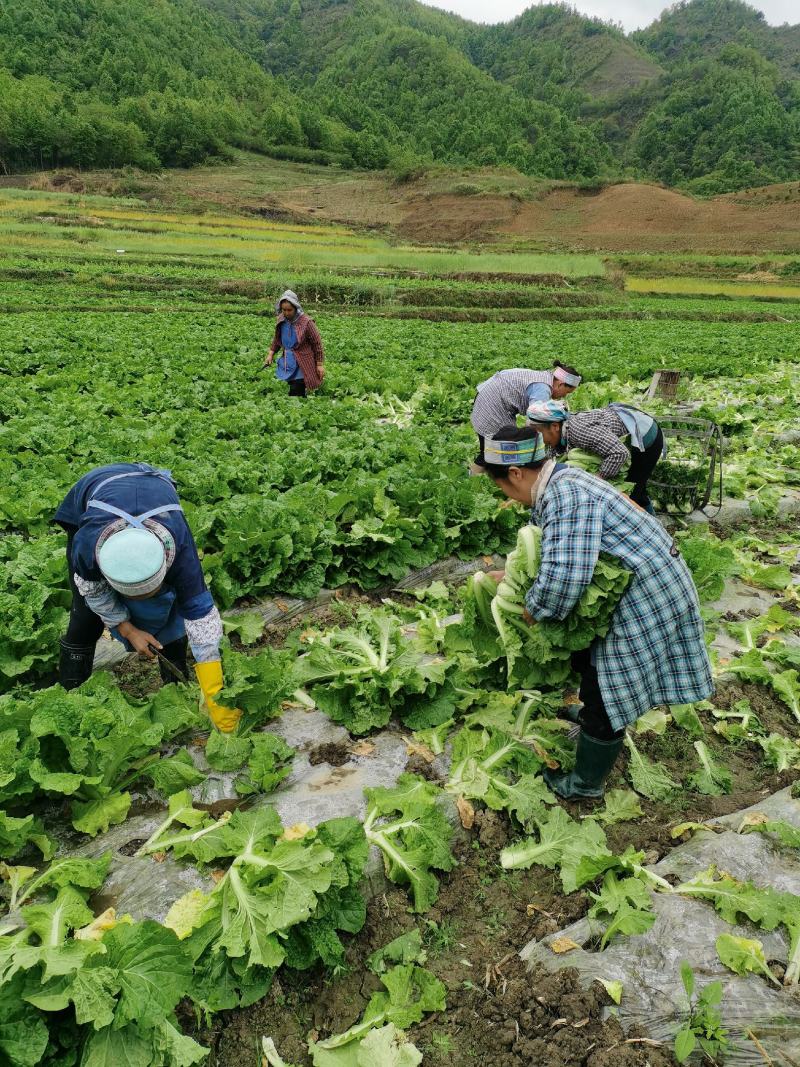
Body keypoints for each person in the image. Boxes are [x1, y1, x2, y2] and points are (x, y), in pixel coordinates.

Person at [481, 426, 712, 800]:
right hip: (643, 582)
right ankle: (590, 717)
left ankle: (585, 784)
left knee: (610, 684)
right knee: (595, 665)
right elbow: (556, 549)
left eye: (503, 488)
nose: (508, 498)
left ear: (516, 473)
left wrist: (533, 609)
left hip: (648, 594)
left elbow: (565, 578)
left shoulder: (567, 494)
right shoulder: (562, 479)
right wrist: (511, 573)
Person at [54, 462, 242, 733]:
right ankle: (71, 698)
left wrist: (214, 694)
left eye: (150, 591)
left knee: (175, 609)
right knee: (85, 616)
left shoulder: (178, 549)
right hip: (96, 491)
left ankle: (176, 692)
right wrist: (128, 630)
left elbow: (201, 617)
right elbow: (93, 590)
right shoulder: (88, 546)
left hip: (153, 492)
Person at [526, 399, 663, 513]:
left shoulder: (579, 430)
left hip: (645, 436)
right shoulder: (556, 435)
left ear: (555, 426)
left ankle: (649, 533)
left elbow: (619, 453)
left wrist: (597, 479)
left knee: (631, 492)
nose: (539, 440)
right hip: (623, 438)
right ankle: (650, 522)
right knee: (636, 490)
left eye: (539, 433)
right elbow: (551, 464)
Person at [470, 362, 581, 466]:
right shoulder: (542, 389)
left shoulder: (545, 377)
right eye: (567, 392)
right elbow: (535, 422)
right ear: (560, 385)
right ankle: (478, 478)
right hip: (492, 405)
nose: (564, 396)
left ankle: (479, 477)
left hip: (487, 395)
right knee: (499, 449)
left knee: (492, 450)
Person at [264, 289, 325, 397]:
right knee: (292, 384)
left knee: (297, 389)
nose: (286, 313)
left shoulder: (307, 322)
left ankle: (299, 406)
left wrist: (319, 364)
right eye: (284, 310)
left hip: (303, 361)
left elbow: (317, 344)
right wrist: (270, 354)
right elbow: (277, 339)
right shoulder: (281, 320)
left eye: (289, 310)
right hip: (289, 359)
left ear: (296, 308)